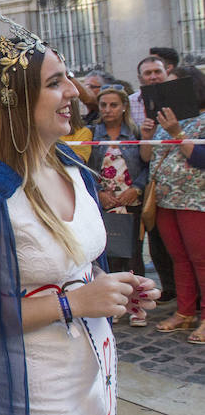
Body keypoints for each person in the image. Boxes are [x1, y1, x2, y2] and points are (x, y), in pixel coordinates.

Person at [0, 23, 160, 415]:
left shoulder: (69, 164)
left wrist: (115, 289)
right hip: (25, 388)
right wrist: (72, 303)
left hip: (90, 371)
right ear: (15, 99)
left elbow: (76, 263)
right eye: (54, 83)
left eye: (66, 78)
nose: (73, 91)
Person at [140, 65, 205, 344]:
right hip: (165, 199)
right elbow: (146, 157)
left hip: (194, 200)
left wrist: (177, 132)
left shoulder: (201, 120)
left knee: (201, 260)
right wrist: (147, 134)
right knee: (178, 258)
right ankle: (185, 312)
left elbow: (201, 159)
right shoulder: (165, 119)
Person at [88, 86, 147, 285]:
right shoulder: (91, 133)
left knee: (134, 257)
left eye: (113, 105)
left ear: (124, 107)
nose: (107, 109)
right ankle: (113, 305)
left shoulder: (135, 132)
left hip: (131, 202)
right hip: (104, 204)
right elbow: (83, 168)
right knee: (108, 256)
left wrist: (137, 188)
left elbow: (148, 165)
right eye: (103, 105)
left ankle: (138, 305)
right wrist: (98, 193)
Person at [127, 54, 175, 302]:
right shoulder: (130, 103)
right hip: (147, 174)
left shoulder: (180, 99)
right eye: (148, 73)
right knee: (156, 237)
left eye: (157, 71)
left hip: (178, 177)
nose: (154, 76)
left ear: (166, 72)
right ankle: (168, 286)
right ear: (140, 78)